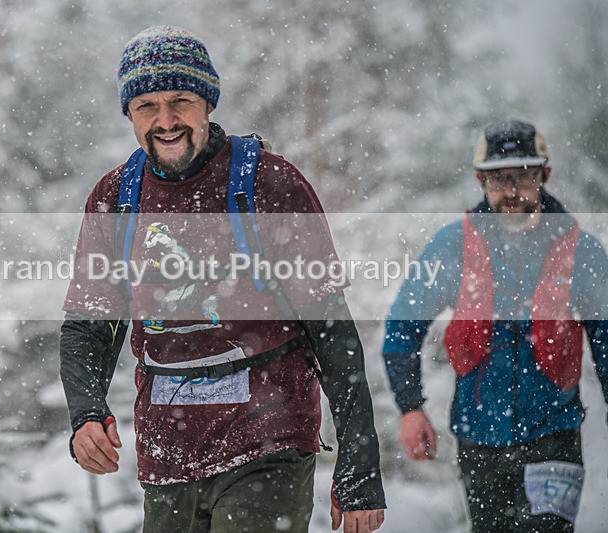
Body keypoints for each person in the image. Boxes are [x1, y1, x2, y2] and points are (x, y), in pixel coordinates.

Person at [60, 25, 386, 532]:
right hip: (167, 453)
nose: (165, 121)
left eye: (180, 101)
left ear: (208, 103)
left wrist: (359, 466)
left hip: (267, 439)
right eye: (146, 105)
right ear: (129, 114)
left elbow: (332, 332)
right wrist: (85, 413)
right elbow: (87, 327)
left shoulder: (270, 185)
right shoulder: (115, 200)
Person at [381, 119, 608, 532]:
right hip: (479, 439)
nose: (511, 191)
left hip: (554, 432)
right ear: (479, 180)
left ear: (544, 175)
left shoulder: (581, 250)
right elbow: (401, 328)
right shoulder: (451, 247)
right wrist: (410, 408)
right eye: (497, 179)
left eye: (523, 176)